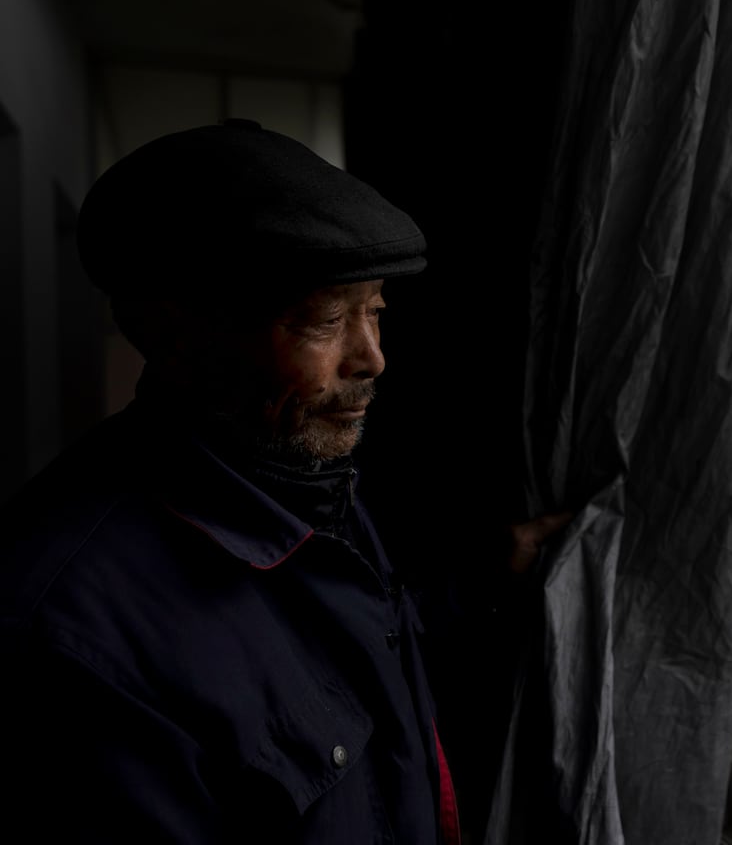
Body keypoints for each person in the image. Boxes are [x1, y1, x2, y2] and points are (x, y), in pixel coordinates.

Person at [0, 118, 568, 843]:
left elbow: (347, 652)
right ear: (175, 337)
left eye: (376, 312)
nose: (372, 358)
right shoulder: (62, 641)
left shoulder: (298, 475)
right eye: (327, 319)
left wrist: (486, 581)